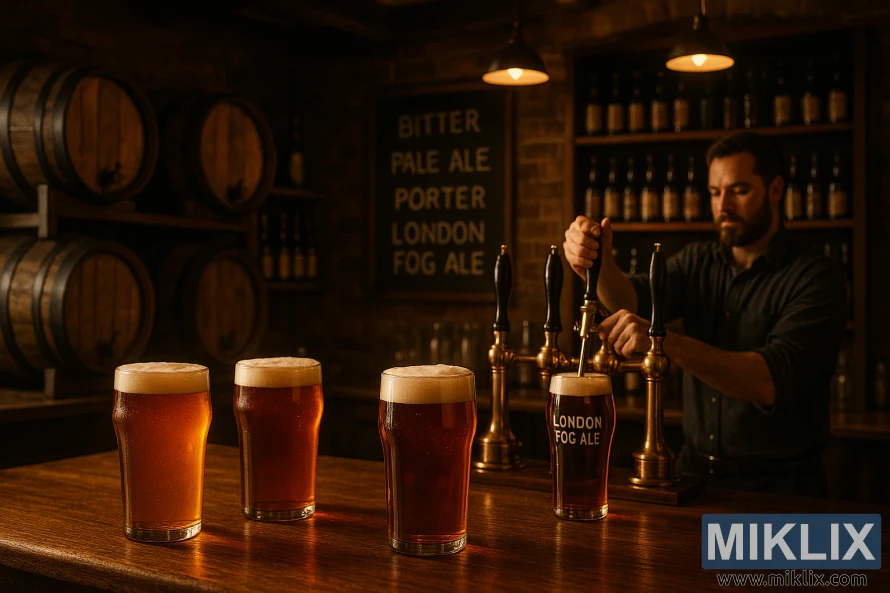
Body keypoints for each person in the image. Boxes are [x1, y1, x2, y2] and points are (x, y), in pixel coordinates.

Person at [562, 132, 846, 495]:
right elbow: (630, 301)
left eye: (739, 190)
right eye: (714, 193)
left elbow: (767, 382)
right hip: (694, 475)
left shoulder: (816, 277)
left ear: (775, 190)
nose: (723, 205)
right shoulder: (698, 262)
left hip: (779, 489)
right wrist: (596, 262)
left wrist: (661, 340)